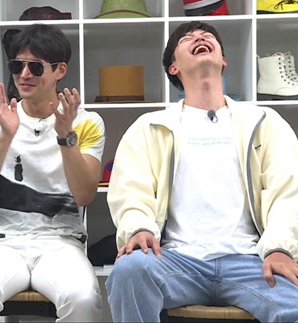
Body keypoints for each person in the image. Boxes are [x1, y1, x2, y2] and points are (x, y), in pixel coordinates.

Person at [105, 20, 298, 323]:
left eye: (207, 35)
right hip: (176, 261)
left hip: (251, 261)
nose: (199, 37)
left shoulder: (265, 122)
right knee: (129, 270)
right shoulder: (149, 127)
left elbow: (288, 191)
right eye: (187, 38)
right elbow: (131, 190)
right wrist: (139, 228)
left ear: (223, 60)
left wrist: (279, 248)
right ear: (173, 68)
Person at [0, 24, 103, 321]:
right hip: (0, 241)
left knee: (83, 298)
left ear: (60, 70)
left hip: (62, 242)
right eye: (17, 65)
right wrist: (6, 137)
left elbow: (85, 195)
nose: (24, 74)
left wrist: (65, 136)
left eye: (35, 67)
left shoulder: (85, 122)